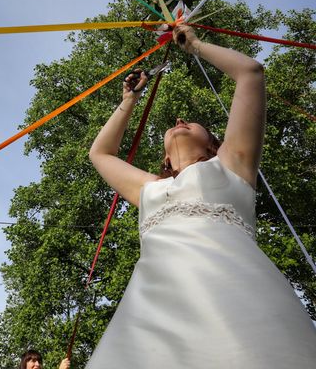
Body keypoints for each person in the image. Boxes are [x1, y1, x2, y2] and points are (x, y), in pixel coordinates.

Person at [85, 23, 316, 368]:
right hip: (150, 310)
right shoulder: (149, 189)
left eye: (191, 121)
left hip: (237, 292)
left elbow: (250, 73)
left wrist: (194, 45)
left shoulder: (233, 164)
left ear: (213, 142)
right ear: (164, 157)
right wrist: (129, 100)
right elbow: (100, 154)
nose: (179, 118)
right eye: (175, 121)